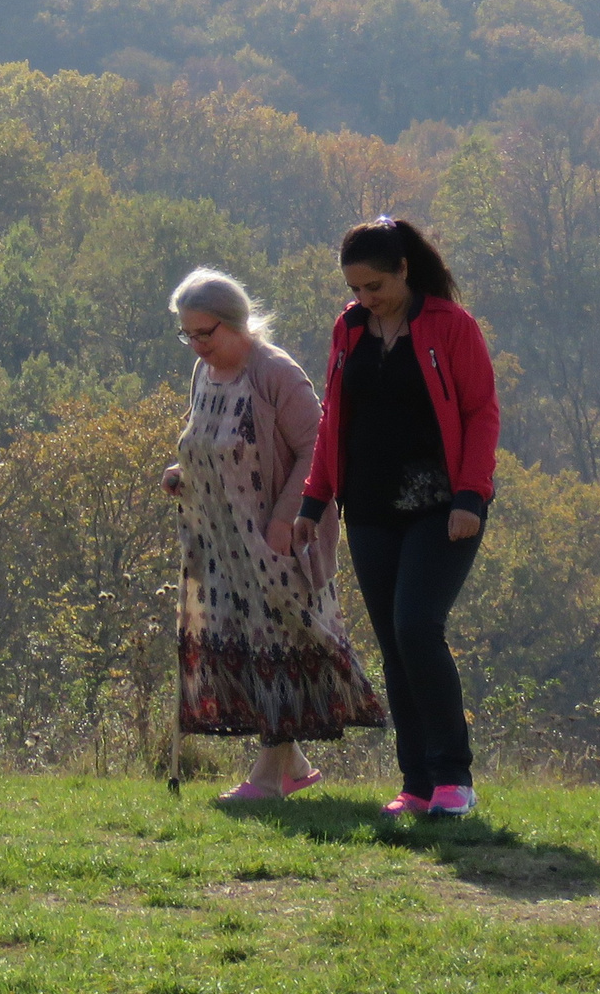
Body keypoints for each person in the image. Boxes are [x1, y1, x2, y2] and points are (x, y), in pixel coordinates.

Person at [292, 217, 501, 821]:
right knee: (393, 644)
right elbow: (334, 417)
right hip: (369, 508)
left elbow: (482, 412)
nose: (365, 298)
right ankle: (416, 784)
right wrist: (314, 500)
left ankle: (453, 777)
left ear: (404, 270)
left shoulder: (451, 326)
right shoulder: (350, 329)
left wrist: (471, 496)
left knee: (416, 629)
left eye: (375, 286)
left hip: (441, 508)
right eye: (355, 288)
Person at [159, 267, 385, 801]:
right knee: (250, 649)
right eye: (188, 335)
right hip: (222, 550)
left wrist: (285, 519)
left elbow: (318, 449)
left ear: (236, 322)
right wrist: (184, 472)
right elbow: (211, 441)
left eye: (205, 332)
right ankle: (292, 765)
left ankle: (267, 778)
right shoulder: (204, 373)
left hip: (276, 546)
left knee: (283, 648)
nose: (197, 345)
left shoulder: (276, 373)